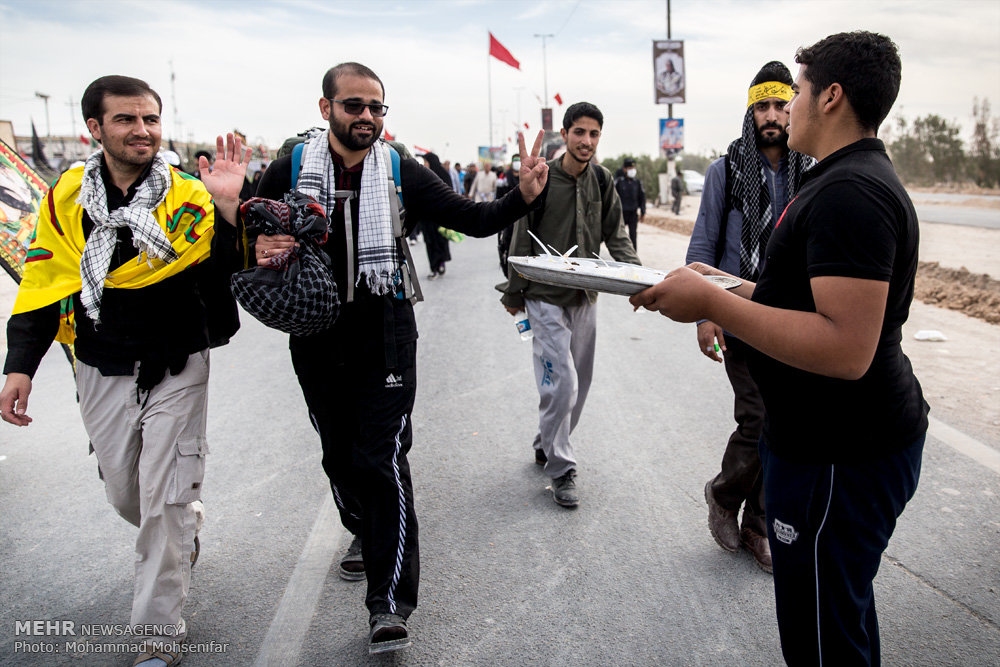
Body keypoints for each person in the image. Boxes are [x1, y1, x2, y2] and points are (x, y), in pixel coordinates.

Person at [630, 31, 927, 665]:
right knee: (837, 617)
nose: (785, 106)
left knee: (822, 640)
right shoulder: (840, 180)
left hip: (839, 457)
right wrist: (719, 282)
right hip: (826, 448)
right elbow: (799, 297)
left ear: (831, 98)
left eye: (796, 91)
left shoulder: (852, 194)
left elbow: (846, 347)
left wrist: (713, 304)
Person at [252, 62, 548, 654]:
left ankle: (388, 604)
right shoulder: (290, 167)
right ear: (326, 108)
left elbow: (474, 219)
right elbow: (250, 228)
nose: (366, 117)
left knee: (383, 459)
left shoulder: (398, 169)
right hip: (313, 334)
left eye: (376, 108)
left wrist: (522, 194)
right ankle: (362, 529)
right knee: (340, 455)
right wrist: (252, 231)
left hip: (385, 329)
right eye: (354, 106)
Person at [0, 75, 249, 667]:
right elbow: (43, 282)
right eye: (127, 120)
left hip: (176, 363)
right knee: (126, 494)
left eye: (151, 120)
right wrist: (20, 367)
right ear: (96, 129)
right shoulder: (63, 199)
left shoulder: (190, 196)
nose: (143, 131)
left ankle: (155, 637)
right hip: (99, 364)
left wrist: (229, 210)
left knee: (163, 501)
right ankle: (184, 526)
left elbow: (225, 276)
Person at [685, 60, 814, 575]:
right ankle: (723, 492)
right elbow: (704, 241)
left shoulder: (811, 170)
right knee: (758, 417)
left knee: (786, 425)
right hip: (739, 313)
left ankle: (759, 524)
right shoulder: (726, 170)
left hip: (796, 319)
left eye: (782, 104)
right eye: (762, 105)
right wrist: (703, 314)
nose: (773, 115)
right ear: (749, 111)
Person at [498, 102, 640, 508]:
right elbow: (520, 237)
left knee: (582, 383)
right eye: (580, 132)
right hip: (544, 297)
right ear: (565, 133)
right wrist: (514, 293)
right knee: (562, 383)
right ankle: (562, 469)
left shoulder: (602, 178)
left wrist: (638, 281)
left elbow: (617, 234)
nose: (587, 141)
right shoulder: (545, 177)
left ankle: (547, 440)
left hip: (585, 297)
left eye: (594, 134)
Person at [418, 151, 452, 277]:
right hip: (428, 217)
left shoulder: (441, 175)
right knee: (431, 241)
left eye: (426, 162)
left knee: (439, 241)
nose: (425, 164)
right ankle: (435, 267)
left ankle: (439, 265)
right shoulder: (422, 174)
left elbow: (450, 194)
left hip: (440, 215)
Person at [614, 157, 645, 249]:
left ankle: (633, 256)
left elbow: (642, 197)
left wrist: (643, 212)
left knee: (633, 236)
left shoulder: (637, 182)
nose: (632, 170)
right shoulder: (619, 182)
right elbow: (614, 199)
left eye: (633, 168)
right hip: (621, 214)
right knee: (620, 236)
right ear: (625, 169)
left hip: (632, 213)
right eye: (630, 169)